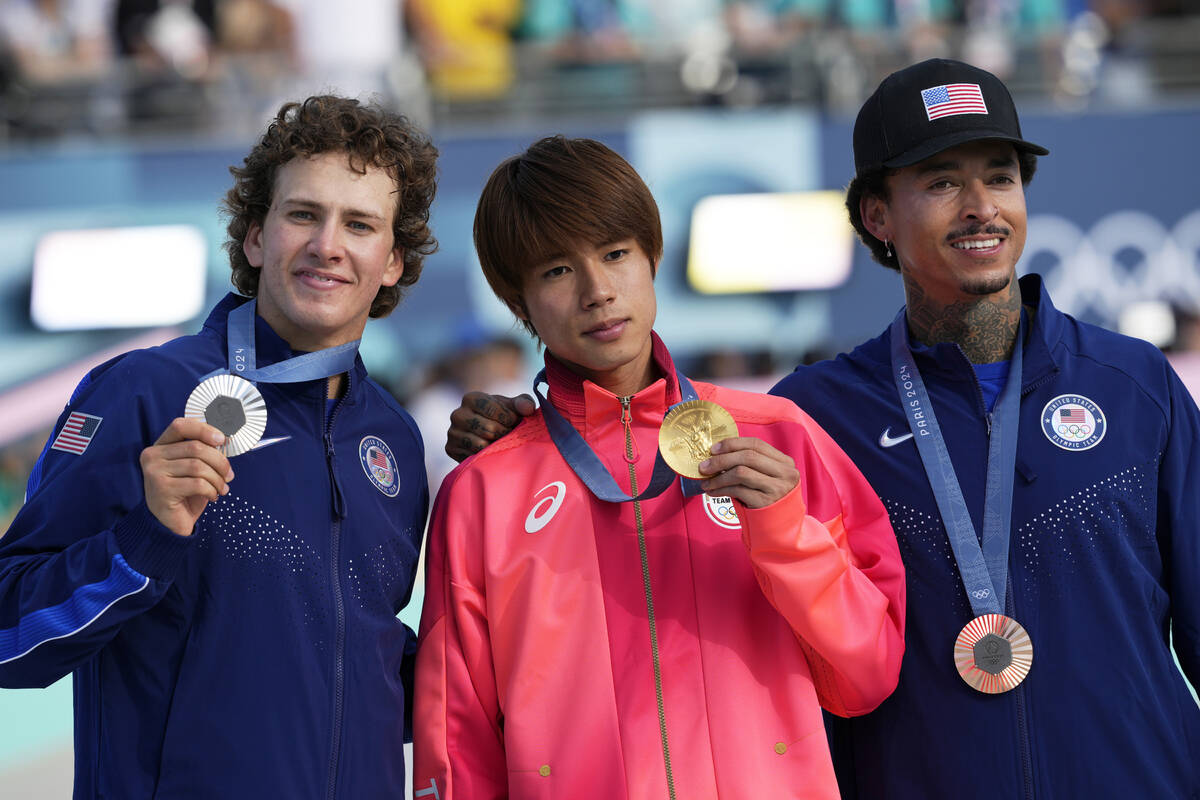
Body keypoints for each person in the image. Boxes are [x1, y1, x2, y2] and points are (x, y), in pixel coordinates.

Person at [445, 59, 1200, 798]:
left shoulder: (1134, 387)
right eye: (942, 182)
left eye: (999, 176)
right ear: (876, 215)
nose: (981, 206)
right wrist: (524, 443)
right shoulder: (813, 415)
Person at [413, 135, 905, 799]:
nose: (597, 291)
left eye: (615, 254)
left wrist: (787, 536)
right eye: (556, 270)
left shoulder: (777, 437)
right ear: (517, 302)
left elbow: (867, 674)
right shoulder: (483, 491)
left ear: (652, 257)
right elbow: (457, 736)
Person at [0, 95, 438, 798]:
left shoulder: (392, 439)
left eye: (359, 225)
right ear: (257, 236)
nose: (327, 245)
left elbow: (353, 658)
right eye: (303, 214)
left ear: (392, 261)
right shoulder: (146, 391)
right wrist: (143, 538)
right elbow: (7, 632)